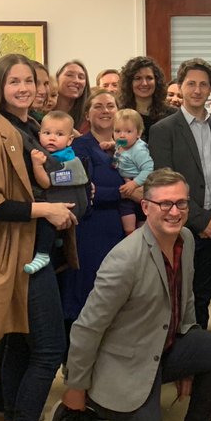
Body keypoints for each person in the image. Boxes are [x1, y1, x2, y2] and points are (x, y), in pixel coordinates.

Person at [40, 169, 211, 421]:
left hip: (160, 346)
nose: (174, 211)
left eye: (181, 203)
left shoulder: (185, 240)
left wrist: (191, 364)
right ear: (146, 207)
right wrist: (76, 388)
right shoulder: (125, 259)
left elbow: (186, 301)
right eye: (165, 204)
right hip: (123, 365)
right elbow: (87, 328)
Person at [0, 53, 78, 421]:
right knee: (49, 350)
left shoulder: (31, 127)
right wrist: (46, 209)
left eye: (29, 80)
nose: (23, 88)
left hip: (39, 253)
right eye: (14, 81)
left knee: (18, 347)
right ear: (0, 86)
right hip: (18, 258)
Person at [148, 58, 211, 330]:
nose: (197, 90)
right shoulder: (163, 130)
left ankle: (198, 348)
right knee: (177, 297)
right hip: (179, 228)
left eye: (203, 84)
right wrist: (201, 220)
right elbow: (164, 183)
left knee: (203, 299)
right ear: (180, 86)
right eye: (191, 84)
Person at [58, 92, 131, 340]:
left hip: (123, 231)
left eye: (110, 105)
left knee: (119, 296)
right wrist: (125, 192)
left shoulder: (129, 144)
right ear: (87, 114)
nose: (105, 110)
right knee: (88, 295)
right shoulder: (78, 147)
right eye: (98, 106)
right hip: (90, 230)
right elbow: (82, 193)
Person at [27, 111, 90, 274]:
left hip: (69, 205)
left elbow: (46, 183)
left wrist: (37, 165)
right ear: (39, 135)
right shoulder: (59, 154)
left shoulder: (61, 158)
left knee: (45, 217)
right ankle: (57, 240)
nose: (52, 138)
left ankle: (42, 254)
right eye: (47, 133)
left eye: (59, 134)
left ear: (70, 140)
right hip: (71, 202)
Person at [113, 109, 154, 235]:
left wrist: (134, 183)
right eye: (117, 131)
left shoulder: (138, 151)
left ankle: (138, 236)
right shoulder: (121, 144)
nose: (122, 135)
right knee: (126, 215)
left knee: (140, 219)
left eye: (128, 131)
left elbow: (148, 169)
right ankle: (130, 235)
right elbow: (117, 150)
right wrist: (109, 145)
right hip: (125, 186)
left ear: (138, 133)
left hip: (138, 184)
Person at [117, 56, 176, 138]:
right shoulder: (119, 115)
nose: (144, 83)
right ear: (129, 83)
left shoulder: (172, 115)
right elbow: (118, 143)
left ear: (156, 81)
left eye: (149, 78)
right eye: (138, 78)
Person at [53, 60, 90, 129]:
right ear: (57, 78)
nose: (76, 80)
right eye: (69, 75)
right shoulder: (41, 112)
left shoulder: (88, 118)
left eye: (81, 77)